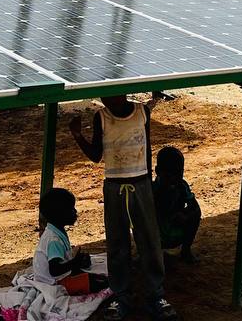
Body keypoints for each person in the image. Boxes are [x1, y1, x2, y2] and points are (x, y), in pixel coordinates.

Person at [69, 93, 178, 321]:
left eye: (114, 94)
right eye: (105, 95)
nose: (109, 99)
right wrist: (78, 135)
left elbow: (147, 150)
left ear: (125, 91)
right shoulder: (102, 117)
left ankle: (155, 296)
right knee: (117, 243)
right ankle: (121, 296)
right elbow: (96, 155)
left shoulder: (142, 112)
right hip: (114, 188)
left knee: (149, 241)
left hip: (141, 184)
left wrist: (148, 186)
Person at [32, 188, 105, 295]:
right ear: (59, 214)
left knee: (95, 277)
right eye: (71, 209)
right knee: (98, 283)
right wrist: (75, 263)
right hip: (55, 284)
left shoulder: (55, 231)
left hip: (57, 279)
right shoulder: (54, 240)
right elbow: (55, 270)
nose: (75, 211)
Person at [153, 146, 201, 264]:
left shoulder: (182, 186)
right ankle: (149, 255)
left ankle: (186, 251)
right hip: (156, 236)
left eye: (178, 174)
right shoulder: (151, 189)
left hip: (175, 231)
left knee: (195, 213)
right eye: (168, 175)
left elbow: (195, 208)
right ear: (157, 171)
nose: (173, 179)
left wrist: (185, 216)